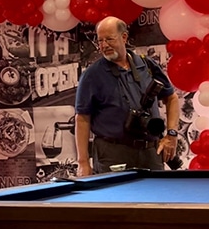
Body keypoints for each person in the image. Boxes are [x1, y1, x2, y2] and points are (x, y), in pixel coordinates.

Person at [75, 16, 180, 176]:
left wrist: (171, 134)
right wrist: (83, 162)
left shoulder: (147, 65)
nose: (104, 45)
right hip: (113, 153)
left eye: (109, 39)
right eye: (100, 41)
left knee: (155, 193)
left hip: (150, 152)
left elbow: (171, 98)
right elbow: (82, 119)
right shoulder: (92, 75)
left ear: (124, 37)